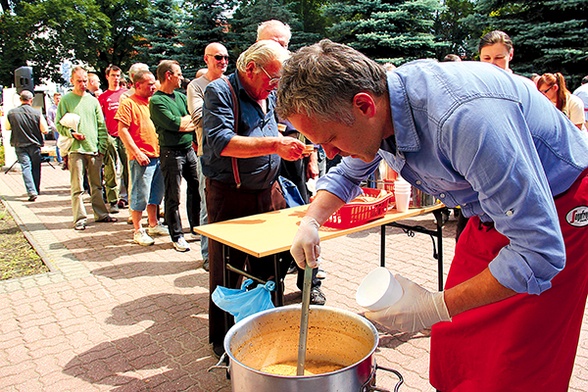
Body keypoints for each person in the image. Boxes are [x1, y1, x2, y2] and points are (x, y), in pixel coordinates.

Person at [277, 39, 588, 391]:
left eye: (331, 139)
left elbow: (539, 254)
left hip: (559, 211)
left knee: (517, 366)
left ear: (364, 105)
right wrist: (311, 220)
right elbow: (349, 172)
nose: (329, 153)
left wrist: (432, 307)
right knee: (455, 344)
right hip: (489, 214)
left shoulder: (464, 120)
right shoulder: (379, 111)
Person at [201, 40, 304, 356]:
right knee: (229, 269)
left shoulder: (268, 95)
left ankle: (266, 327)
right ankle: (226, 341)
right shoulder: (220, 92)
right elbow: (221, 143)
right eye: (272, 79)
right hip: (230, 196)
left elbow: (283, 124)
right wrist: (275, 146)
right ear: (250, 68)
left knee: (271, 265)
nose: (274, 86)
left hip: (267, 192)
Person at [257, 19, 327, 304]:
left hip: (293, 159)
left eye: (285, 43)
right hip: (262, 163)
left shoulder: (296, 74)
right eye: (275, 41)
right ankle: (272, 284)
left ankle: (311, 281)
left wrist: (311, 159)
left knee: (303, 218)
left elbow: (305, 123)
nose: (281, 47)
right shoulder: (253, 73)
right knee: (271, 227)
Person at [56, 66, 118, 230]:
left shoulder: (92, 101)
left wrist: (102, 147)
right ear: (72, 81)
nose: (82, 84)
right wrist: (71, 133)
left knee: (97, 185)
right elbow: (58, 124)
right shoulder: (66, 100)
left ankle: (101, 214)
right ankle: (79, 218)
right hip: (76, 149)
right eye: (79, 81)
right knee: (77, 187)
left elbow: (101, 125)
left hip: (93, 149)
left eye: (85, 81)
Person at [187, 42, 229, 271]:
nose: (222, 62)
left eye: (226, 58)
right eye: (218, 57)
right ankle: (207, 255)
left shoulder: (229, 83)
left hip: (232, 154)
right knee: (208, 206)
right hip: (208, 155)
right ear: (206, 59)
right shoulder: (196, 86)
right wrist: (227, 114)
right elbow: (199, 118)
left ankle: (227, 254)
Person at [149, 59, 199, 252]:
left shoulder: (179, 97)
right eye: (178, 74)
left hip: (188, 150)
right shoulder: (156, 101)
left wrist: (185, 123)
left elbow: (192, 119)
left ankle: (195, 227)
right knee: (173, 195)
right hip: (170, 154)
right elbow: (175, 124)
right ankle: (177, 235)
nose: (181, 77)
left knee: (195, 187)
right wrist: (185, 123)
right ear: (168, 75)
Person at [116, 70, 168, 246]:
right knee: (140, 194)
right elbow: (122, 130)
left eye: (154, 83)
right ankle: (138, 230)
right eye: (149, 84)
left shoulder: (153, 103)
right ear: (137, 85)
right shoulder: (129, 104)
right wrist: (137, 152)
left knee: (155, 194)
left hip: (159, 155)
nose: (154, 87)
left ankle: (153, 223)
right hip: (142, 158)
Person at [4, 90, 49, 201]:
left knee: (26, 167)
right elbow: (45, 130)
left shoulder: (11, 113)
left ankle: (31, 190)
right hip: (34, 144)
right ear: (31, 100)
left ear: (20, 99)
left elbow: (7, 127)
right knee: (35, 167)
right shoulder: (37, 113)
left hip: (19, 143)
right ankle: (36, 189)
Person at [98, 64, 129, 214]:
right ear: (107, 77)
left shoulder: (125, 94)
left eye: (118, 76)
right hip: (110, 135)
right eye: (113, 76)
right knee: (111, 169)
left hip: (125, 135)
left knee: (128, 168)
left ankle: (130, 197)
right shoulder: (103, 97)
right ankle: (112, 200)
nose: (116, 79)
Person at [46, 92, 63, 164]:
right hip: (57, 129)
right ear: (54, 99)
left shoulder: (64, 107)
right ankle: (60, 160)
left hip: (65, 128)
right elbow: (49, 120)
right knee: (58, 144)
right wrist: (55, 128)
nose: (58, 100)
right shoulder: (51, 109)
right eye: (56, 98)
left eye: (59, 98)